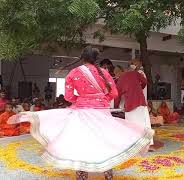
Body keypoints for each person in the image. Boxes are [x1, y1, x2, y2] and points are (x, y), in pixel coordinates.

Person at [8, 46, 153, 180]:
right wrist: (100, 99)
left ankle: (82, 175)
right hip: (102, 111)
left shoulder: (74, 73)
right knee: (104, 140)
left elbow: (68, 97)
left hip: (81, 111)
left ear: (82, 57)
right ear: (95, 58)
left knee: (81, 141)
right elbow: (113, 93)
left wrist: (82, 99)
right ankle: (107, 172)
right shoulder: (104, 73)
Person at [114, 65, 154, 148]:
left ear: (118, 73)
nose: (116, 76)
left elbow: (117, 97)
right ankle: (148, 142)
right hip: (141, 101)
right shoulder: (134, 73)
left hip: (130, 104)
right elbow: (145, 81)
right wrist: (140, 87)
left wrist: (115, 108)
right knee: (145, 123)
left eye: (116, 75)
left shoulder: (120, 80)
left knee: (132, 125)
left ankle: (135, 144)